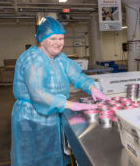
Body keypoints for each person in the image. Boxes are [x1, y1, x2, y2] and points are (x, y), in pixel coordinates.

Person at [11, 17, 110, 166]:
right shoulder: (33, 59)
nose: (58, 43)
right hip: (31, 117)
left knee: (54, 154)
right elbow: (38, 94)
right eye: (53, 39)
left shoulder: (60, 58)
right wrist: (70, 104)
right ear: (41, 40)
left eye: (61, 38)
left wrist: (92, 87)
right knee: (34, 156)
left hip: (54, 112)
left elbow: (76, 75)